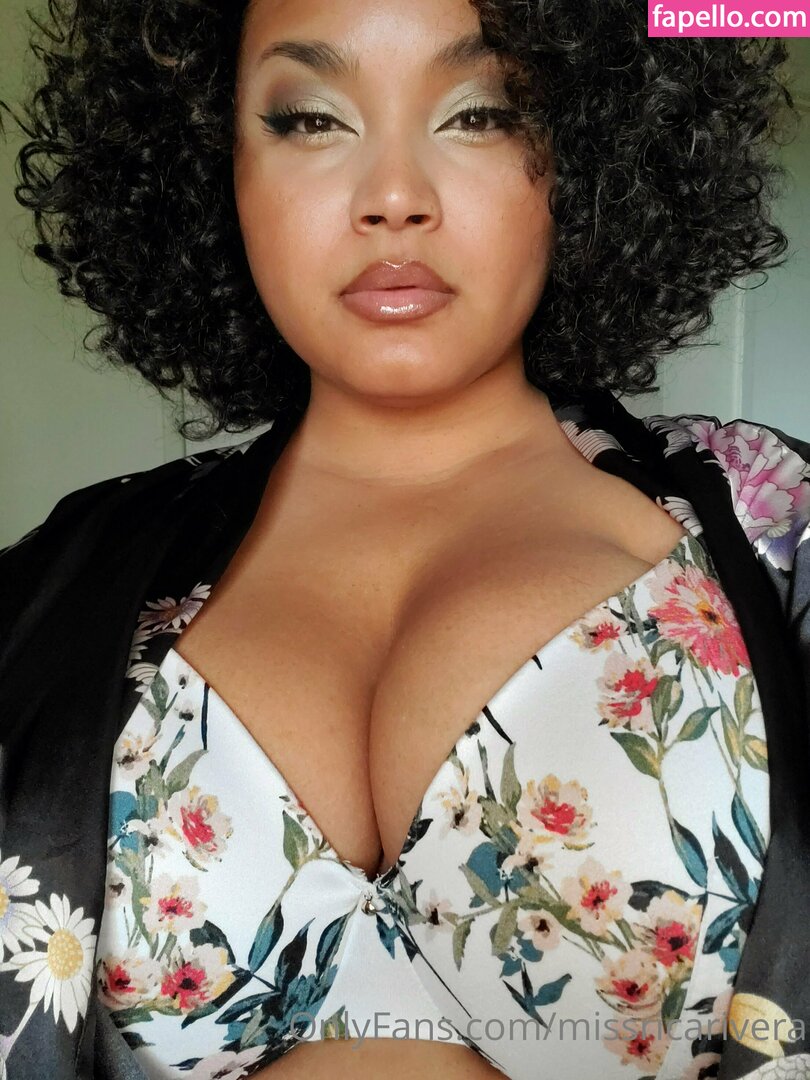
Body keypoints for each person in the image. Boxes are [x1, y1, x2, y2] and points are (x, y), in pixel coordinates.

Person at [0, 0, 808, 1078]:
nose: (392, 196)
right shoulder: (61, 581)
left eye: (481, 112)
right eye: (309, 119)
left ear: (590, 146)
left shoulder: (777, 531)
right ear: (213, 160)